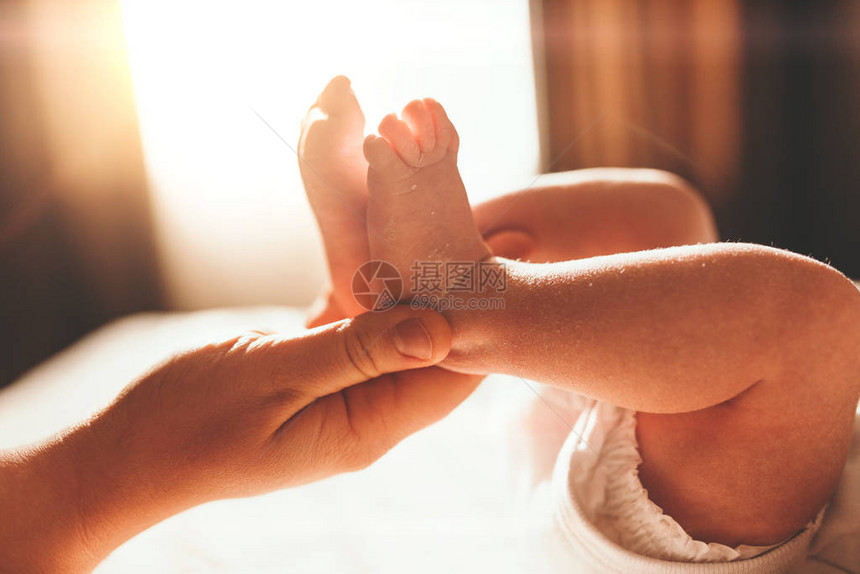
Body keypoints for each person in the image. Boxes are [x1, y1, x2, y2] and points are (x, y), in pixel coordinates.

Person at [299, 76, 860, 571]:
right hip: (617, 390)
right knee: (668, 212)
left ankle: (461, 297)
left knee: (815, 326)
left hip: (695, 539)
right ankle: (384, 287)